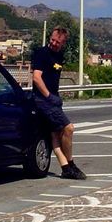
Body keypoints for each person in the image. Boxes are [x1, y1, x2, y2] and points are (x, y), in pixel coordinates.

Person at [31, 26, 86, 180]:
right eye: (53, 40)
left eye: (58, 42)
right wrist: (48, 96)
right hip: (43, 100)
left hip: (54, 100)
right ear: (50, 37)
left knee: (55, 135)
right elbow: (36, 77)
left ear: (63, 43)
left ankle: (65, 168)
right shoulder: (41, 53)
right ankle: (71, 163)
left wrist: (55, 97)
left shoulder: (60, 56)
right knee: (68, 129)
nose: (54, 43)